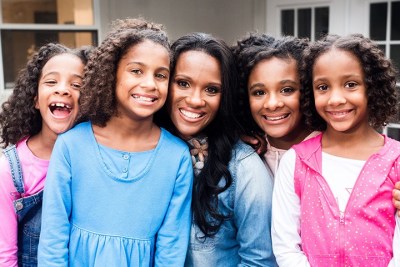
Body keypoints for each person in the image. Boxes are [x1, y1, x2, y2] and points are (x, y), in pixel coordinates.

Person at [38, 18, 193, 266]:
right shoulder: (71, 146)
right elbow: (53, 240)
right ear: (112, 73)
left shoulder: (176, 157)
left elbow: (171, 248)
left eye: (161, 75)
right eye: (136, 71)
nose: (149, 84)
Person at [272, 33, 400, 266]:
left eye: (350, 84)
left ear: (372, 88)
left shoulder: (396, 160)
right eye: (323, 87)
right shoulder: (297, 161)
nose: (336, 99)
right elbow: (286, 246)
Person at [156, 32, 276, 266]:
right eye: (183, 83)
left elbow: (259, 261)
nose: (195, 100)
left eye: (211, 89)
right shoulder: (145, 151)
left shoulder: (244, 168)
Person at [0, 43, 91, 266]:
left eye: (77, 84)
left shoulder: (97, 159)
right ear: (35, 99)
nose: (62, 89)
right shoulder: (11, 168)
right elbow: (5, 255)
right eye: (51, 81)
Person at [232, 34, 318, 175]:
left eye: (287, 90)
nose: (272, 104)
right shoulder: (244, 152)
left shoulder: (330, 150)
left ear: (307, 90)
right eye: (259, 92)